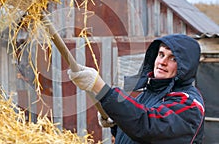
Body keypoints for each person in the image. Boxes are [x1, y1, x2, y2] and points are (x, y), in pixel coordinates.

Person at [68, 34, 205, 143]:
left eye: (173, 59)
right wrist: (116, 122)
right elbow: (134, 132)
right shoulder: (148, 94)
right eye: (161, 54)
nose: (162, 62)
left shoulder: (189, 104)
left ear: (185, 66)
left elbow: (148, 126)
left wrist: (101, 89)